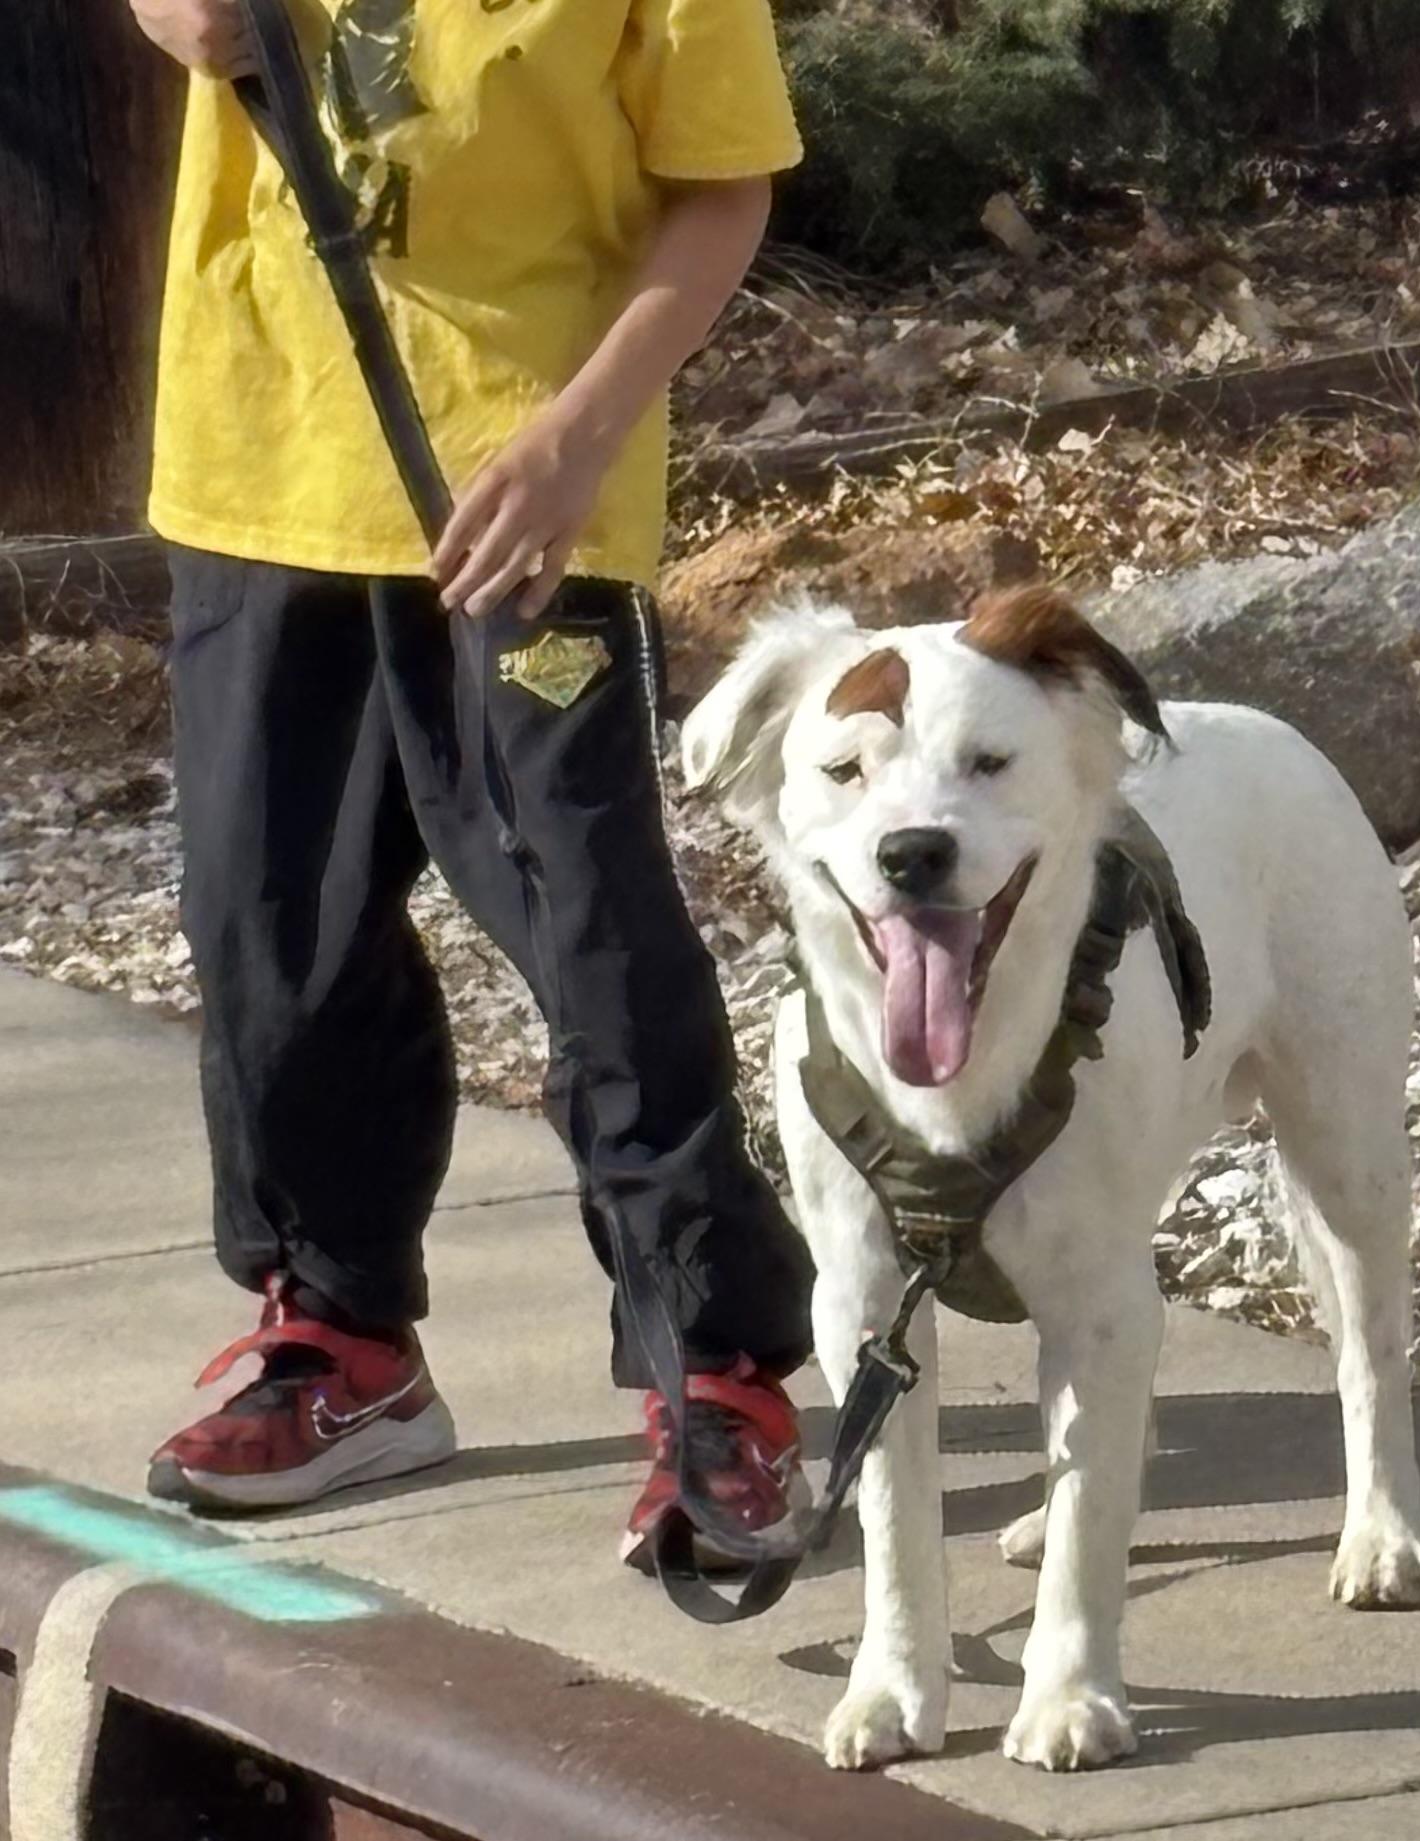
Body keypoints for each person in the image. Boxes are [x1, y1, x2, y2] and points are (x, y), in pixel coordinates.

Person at [126, 0, 816, 1565]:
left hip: (524, 498)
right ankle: (345, 1338)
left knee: (592, 932)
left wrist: (578, 436)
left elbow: (723, 191)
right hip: (260, 464)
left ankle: (716, 1365)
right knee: (264, 932)